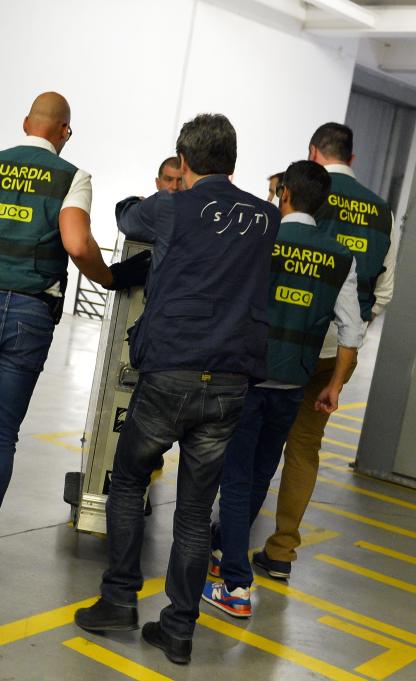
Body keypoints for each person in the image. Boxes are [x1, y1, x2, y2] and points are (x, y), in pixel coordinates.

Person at [72, 113, 280, 666]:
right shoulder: (266, 218)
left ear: (183, 164)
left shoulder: (173, 205)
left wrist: (161, 195)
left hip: (171, 373)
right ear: (233, 163)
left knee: (129, 480)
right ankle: (178, 629)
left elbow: (126, 218)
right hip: (231, 381)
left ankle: (118, 598)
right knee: (193, 510)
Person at [0, 92, 149, 571]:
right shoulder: (71, 176)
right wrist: (109, 277)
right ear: (64, 132)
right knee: (2, 433)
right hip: (31, 317)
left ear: (25, 124)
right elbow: (77, 242)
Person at [203, 160, 362, 619]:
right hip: (294, 382)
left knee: (234, 477)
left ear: (285, 194)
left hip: (248, 377)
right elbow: (351, 331)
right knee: (258, 475)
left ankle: (233, 584)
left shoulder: (260, 235)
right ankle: (223, 553)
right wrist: (334, 384)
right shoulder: (340, 256)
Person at [256, 122, 397, 581]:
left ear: (313, 153)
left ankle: (228, 535)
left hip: (280, 339)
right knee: (304, 448)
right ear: (352, 159)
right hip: (338, 350)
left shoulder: (302, 191)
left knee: (253, 437)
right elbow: (384, 292)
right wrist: (349, 333)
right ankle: (281, 551)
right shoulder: (383, 212)